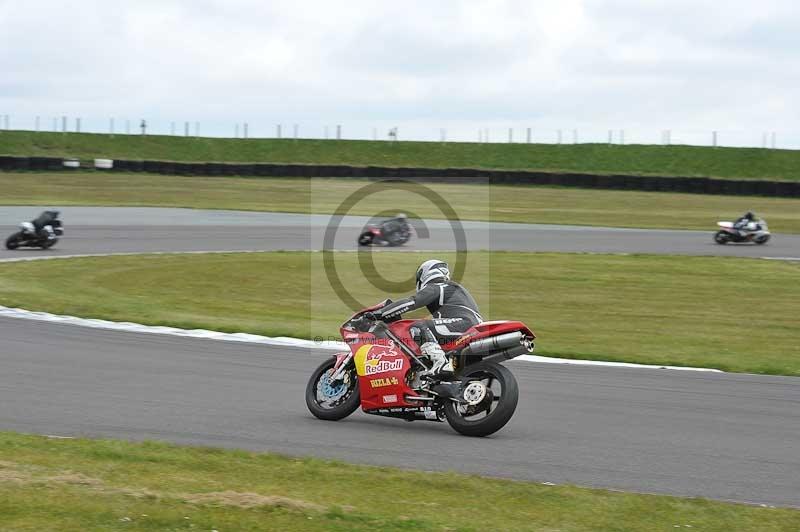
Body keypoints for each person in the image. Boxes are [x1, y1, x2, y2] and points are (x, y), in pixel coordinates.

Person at [372, 259, 483, 375]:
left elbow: (412, 302)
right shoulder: (453, 288)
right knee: (430, 333)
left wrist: (380, 313)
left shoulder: (437, 286)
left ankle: (440, 363)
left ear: (425, 274)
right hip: (471, 327)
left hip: (464, 324)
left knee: (418, 327)